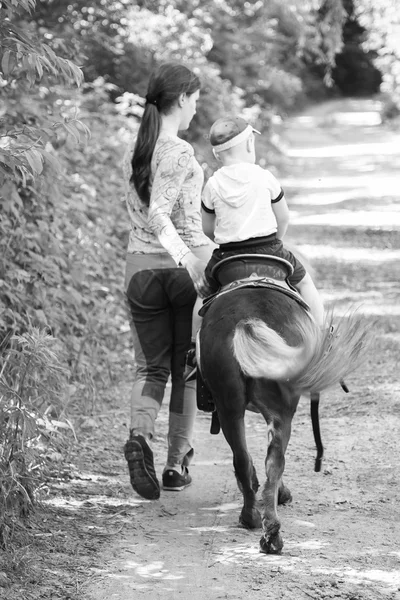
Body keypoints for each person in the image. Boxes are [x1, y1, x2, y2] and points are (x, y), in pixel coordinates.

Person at [123, 62, 212, 501]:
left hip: (139, 270)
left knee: (150, 367)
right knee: (187, 371)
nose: (196, 109)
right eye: (194, 101)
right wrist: (189, 261)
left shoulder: (135, 149)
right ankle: (175, 465)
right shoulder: (177, 151)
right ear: (181, 99)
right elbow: (161, 213)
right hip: (182, 269)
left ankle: (139, 438)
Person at [199, 115, 325, 327]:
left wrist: (224, 240)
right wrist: (276, 240)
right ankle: (322, 335)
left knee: (201, 295)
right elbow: (283, 217)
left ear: (216, 153)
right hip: (269, 250)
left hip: (227, 257)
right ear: (250, 143)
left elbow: (207, 228)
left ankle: (193, 347)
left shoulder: (212, 185)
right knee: (305, 284)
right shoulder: (264, 176)